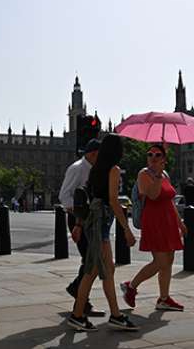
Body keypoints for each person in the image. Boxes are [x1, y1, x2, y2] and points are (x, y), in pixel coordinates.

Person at [69, 134, 137, 332]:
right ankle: (78, 315)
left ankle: (114, 315)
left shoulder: (96, 169)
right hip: (101, 224)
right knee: (92, 272)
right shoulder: (113, 170)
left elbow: (90, 197)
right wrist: (127, 229)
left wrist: (79, 225)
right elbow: (114, 202)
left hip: (94, 222)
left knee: (106, 271)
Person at [121, 144, 187, 312]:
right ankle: (131, 286)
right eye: (150, 154)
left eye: (157, 155)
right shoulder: (144, 174)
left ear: (164, 159)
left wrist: (180, 223)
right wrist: (157, 175)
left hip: (168, 220)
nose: (153, 157)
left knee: (169, 261)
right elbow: (153, 195)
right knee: (160, 261)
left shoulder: (165, 174)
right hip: (154, 221)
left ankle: (164, 299)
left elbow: (170, 201)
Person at [58, 138, 104, 318]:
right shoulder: (77, 168)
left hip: (89, 220)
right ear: (93, 154)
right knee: (90, 260)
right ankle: (80, 297)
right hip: (78, 219)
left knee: (90, 260)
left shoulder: (93, 169)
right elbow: (64, 196)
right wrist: (79, 215)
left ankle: (78, 292)